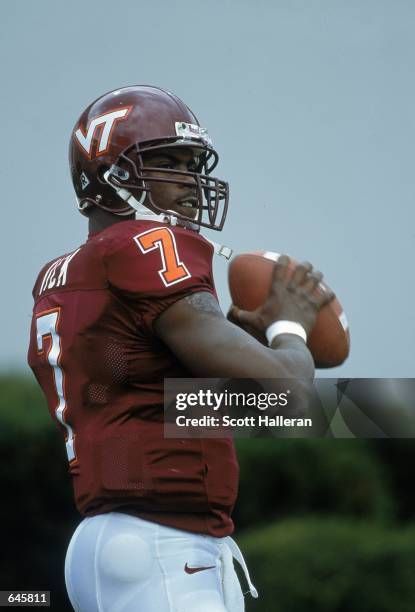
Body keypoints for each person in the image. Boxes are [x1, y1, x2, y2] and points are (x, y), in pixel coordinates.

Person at [28, 85, 333, 612]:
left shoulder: (65, 274)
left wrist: (244, 341)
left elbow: (166, 406)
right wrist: (292, 328)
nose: (191, 184)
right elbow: (288, 398)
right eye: (167, 164)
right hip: (160, 546)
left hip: (125, 544)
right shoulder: (147, 247)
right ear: (108, 176)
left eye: (193, 166)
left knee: (378, 409)